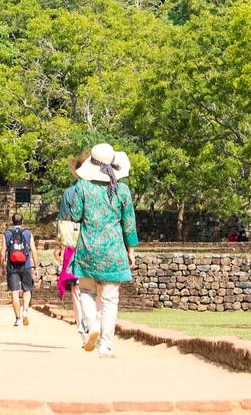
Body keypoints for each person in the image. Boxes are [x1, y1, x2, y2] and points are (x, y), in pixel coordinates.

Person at [58, 141, 139, 358]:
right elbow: (129, 224)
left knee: (86, 292)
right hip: (114, 252)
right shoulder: (122, 190)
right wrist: (131, 250)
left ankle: (92, 324)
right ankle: (106, 345)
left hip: (88, 249)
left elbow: (75, 216)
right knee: (111, 300)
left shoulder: (83, 187)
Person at [2, 212, 37, 326]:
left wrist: (2, 266)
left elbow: (2, 252)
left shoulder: (7, 233)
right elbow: (34, 251)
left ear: (12, 221)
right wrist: (36, 267)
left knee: (15, 292)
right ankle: (25, 310)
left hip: (12, 266)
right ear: (22, 221)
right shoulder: (28, 233)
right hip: (26, 265)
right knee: (27, 289)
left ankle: (17, 318)